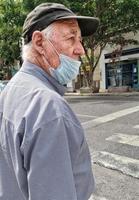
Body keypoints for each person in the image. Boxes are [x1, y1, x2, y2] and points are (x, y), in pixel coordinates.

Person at [0, 3, 99, 200]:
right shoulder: (49, 107)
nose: (80, 49)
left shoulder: (9, 91)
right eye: (71, 38)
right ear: (39, 42)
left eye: (80, 40)